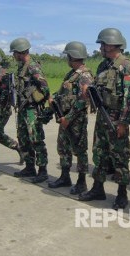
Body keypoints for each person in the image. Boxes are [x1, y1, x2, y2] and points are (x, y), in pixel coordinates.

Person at [78, 28, 130, 210]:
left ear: (112, 44)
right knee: (99, 154)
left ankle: (122, 193)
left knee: (120, 157)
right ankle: (98, 188)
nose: (101, 47)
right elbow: (96, 89)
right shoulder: (103, 66)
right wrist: (88, 91)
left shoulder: (126, 66)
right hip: (102, 118)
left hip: (116, 119)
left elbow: (129, 97)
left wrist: (123, 122)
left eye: (103, 44)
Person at [47, 41, 93, 195]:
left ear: (74, 56)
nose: (67, 58)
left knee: (80, 150)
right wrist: (54, 98)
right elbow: (63, 93)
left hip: (76, 120)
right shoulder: (71, 74)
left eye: (68, 55)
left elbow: (83, 100)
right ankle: (65, 177)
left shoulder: (85, 75)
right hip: (64, 117)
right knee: (63, 148)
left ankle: (82, 182)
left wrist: (69, 117)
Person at [10, 38, 50, 183]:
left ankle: (42, 170)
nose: (13, 55)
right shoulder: (22, 67)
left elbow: (45, 86)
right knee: (23, 138)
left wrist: (37, 99)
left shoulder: (32, 66)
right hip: (22, 109)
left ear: (21, 52)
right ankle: (29, 167)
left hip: (32, 109)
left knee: (36, 139)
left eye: (15, 52)